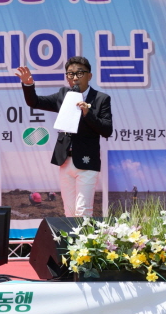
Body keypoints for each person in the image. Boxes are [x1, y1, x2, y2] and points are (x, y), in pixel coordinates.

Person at [15, 56, 113, 217]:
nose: (74, 78)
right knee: (69, 211)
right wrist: (28, 84)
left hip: (87, 161)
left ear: (89, 76)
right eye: (70, 74)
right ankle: (72, 235)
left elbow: (107, 130)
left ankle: (86, 235)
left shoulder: (101, 98)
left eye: (79, 73)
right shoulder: (63, 94)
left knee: (83, 211)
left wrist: (88, 113)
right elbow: (35, 102)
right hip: (65, 160)